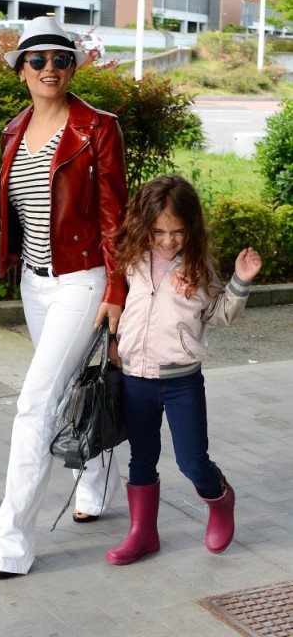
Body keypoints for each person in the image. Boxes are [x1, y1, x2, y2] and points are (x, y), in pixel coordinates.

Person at [0, 17, 128, 578]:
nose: (50, 68)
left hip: (83, 279)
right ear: (21, 70)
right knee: (70, 387)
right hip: (34, 281)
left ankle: (10, 543)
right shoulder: (13, 131)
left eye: (61, 59)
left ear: (73, 68)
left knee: (35, 404)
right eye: (38, 60)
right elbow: (9, 208)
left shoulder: (97, 128)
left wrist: (116, 290)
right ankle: (97, 484)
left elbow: (115, 217)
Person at [105, 174, 262, 566]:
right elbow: (117, 305)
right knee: (141, 458)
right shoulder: (131, 259)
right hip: (136, 379)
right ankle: (143, 534)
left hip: (182, 382)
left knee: (192, 461)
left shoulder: (198, 267)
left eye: (177, 231)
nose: (167, 240)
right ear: (144, 225)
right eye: (158, 231)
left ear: (191, 227)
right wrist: (113, 343)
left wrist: (241, 281)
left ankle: (220, 500)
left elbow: (220, 315)